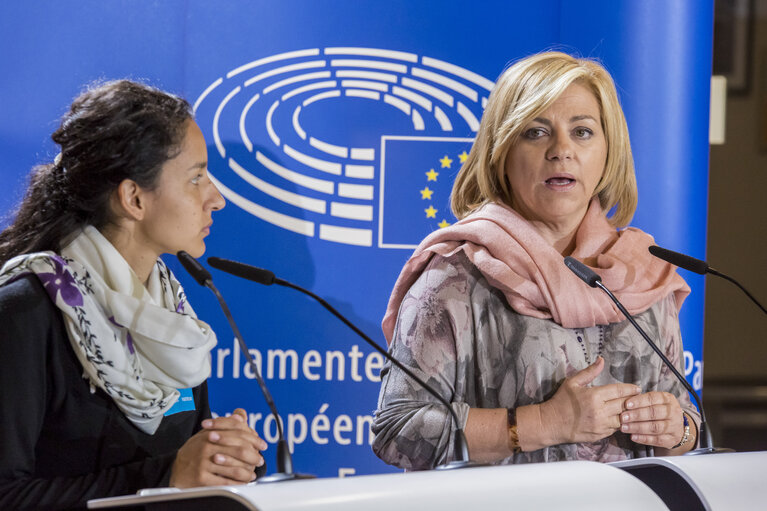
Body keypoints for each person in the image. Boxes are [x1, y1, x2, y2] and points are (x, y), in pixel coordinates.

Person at [372, 51, 700, 470]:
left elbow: (687, 426)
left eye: (582, 132)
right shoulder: (455, 278)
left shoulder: (645, 275)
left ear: (607, 153)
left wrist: (678, 430)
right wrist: (544, 422)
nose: (561, 150)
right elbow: (397, 431)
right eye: (535, 132)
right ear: (502, 152)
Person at [0, 80, 267, 510]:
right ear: (134, 199)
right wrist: (166, 476)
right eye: (196, 178)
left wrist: (224, 457)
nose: (215, 199)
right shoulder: (23, 315)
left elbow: (184, 473)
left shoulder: (171, 318)